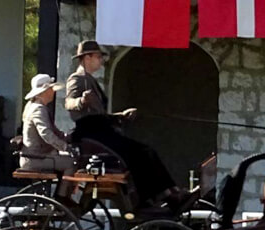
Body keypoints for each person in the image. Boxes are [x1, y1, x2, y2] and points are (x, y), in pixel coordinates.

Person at [63, 40, 191, 208]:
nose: (101, 60)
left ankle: (170, 192)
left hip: (101, 130)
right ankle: (156, 197)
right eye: (98, 57)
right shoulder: (77, 78)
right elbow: (68, 103)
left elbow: (99, 115)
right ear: (87, 58)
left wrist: (120, 116)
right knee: (138, 153)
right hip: (92, 134)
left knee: (146, 151)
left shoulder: (90, 80)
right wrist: (81, 101)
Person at [20, 74, 74, 174]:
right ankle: (63, 190)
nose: (53, 91)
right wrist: (65, 147)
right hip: (35, 158)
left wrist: (69, 138)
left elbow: (55, 132)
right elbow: (46, 134)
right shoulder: (38, 109)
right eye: (51, 88)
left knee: (68, 159)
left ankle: (63, 189)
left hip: (37, 156)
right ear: (45, 91)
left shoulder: (36, 106)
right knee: (72, 163)